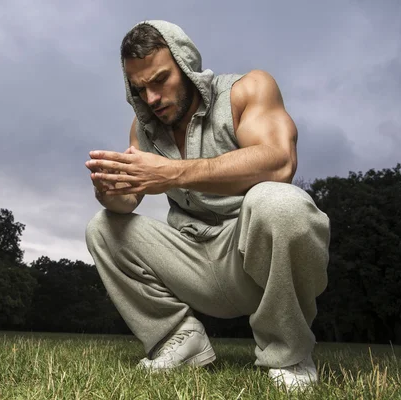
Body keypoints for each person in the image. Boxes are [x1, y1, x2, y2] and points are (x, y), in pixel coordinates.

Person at [84, 20, 330, 391]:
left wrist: (173, 173)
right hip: (192, 262)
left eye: (160, 80)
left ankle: (289, 356)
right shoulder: (144, 128)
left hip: (250, 257)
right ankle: (180, 340)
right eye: (140, 88)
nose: (151, 98)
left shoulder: (247, 90)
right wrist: (111, 191)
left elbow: (279, 162)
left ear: (185, 65)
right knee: (101, 227)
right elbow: (127, 202)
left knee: (280, 203)